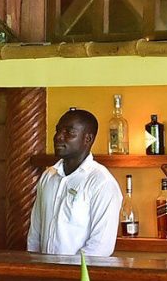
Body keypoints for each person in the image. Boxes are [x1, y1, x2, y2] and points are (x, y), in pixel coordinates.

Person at [27, 108, 122, 258]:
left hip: (81, 277)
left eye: (69, 132)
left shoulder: (101, 182)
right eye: (58, 131)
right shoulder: (48, 176)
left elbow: (101, 246)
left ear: (88, 139)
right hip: (44, 274)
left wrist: (67, 273)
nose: (58, 137)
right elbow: (35, 232)